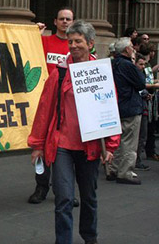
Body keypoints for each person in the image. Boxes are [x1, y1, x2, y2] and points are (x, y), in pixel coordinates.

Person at [28, 20, 119, 244]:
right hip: (62, 147)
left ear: (90, 43)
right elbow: (44, 110)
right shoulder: (58, 74)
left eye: (78, 41)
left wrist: (111, 145)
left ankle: (90, 237)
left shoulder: (100, 73)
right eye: (70, 42)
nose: (73, 45)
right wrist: (37, 145)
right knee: (64, 198)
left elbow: (109, 108)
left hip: (90, 146)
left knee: (88, 197)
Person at [28, 7, 75, 204]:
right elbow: (27, 49)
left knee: (66, 149)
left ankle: (64, 191)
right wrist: (32, 33)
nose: (65, 22)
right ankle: (41, 186)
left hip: (68, 106)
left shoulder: (76, 46)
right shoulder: (45, 41)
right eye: (62, 19)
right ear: (55, 22)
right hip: (45, 103)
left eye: (68, 19)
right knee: (40, 144)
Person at [108, 37, 146, 185]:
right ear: (126, 50)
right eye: (131, 47)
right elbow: (140, 83)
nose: (134, 49)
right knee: (129, 142)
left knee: (117, 140)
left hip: (118, 105)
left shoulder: (113, 63)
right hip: (130, 106)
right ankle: (125, 172)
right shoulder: (128, 65)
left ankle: (113, 168)